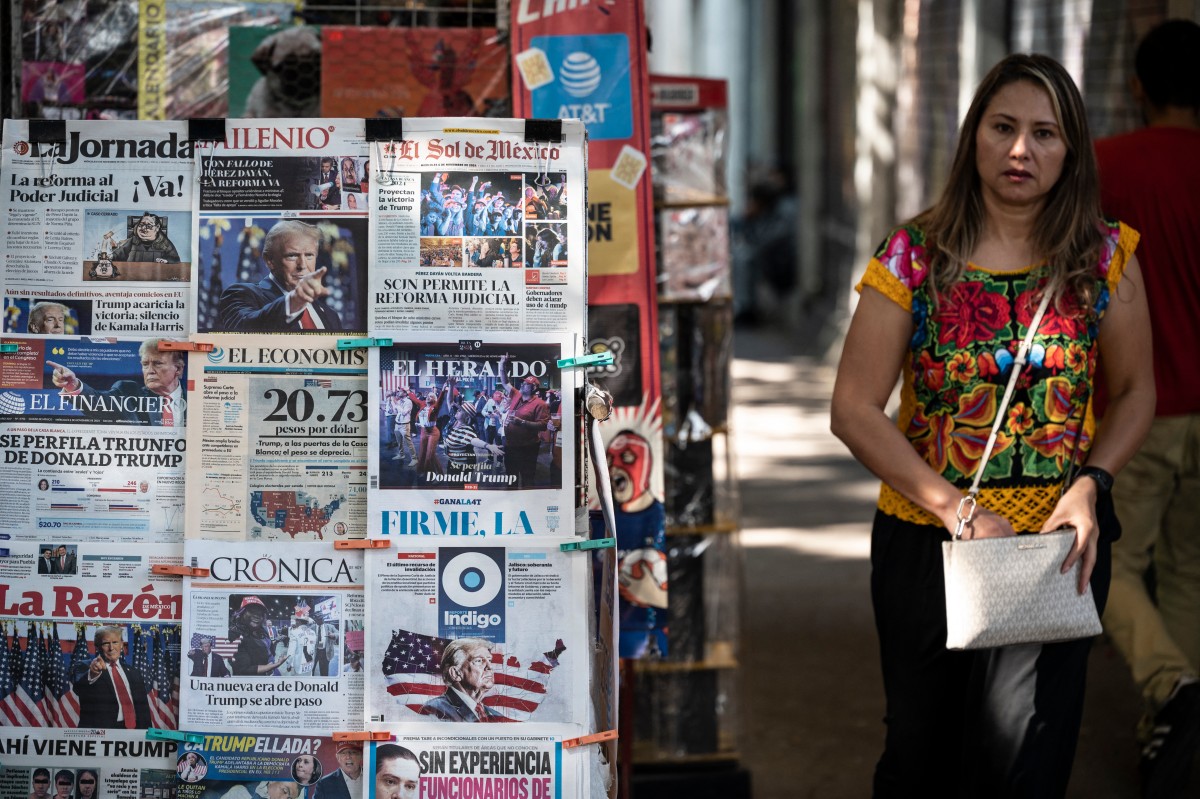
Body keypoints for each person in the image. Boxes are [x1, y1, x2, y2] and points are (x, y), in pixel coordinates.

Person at [830, 54, 1154, 796]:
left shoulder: (1106, 257)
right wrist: (957, 509)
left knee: (1023, 763)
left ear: (1071, 150)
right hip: (929, 543)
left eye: (1045, 134)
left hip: (1053, 549)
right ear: (973, 134)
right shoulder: (913, 255)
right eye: (1003, 127)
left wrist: (1092, 485)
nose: (1020, 150)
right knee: (920, 756)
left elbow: (1137, 390)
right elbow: (853, 409)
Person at [1092, 19, 1200, 796]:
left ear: (1137, 87)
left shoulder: (1105, 168)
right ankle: (1177, 735)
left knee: (1114, 570)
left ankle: (1172, 690)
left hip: (1140, 406)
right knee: (1191, 571)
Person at [216, 221, 343, 332]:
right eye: (292, 255)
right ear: (269, 260)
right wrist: (295, 302)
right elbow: (245, 329)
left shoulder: (330, 315)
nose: (302, 265)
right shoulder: (240, 294)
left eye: (309, 255)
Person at [47, 338, 186, 427]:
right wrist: (73, 385)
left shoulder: (197, 400)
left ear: (178, 369)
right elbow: (96, 402)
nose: (149, 370)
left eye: (157, 363)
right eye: (145, 364)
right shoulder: (128, 393)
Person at [74, 625, 153, 729]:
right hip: (101, 733)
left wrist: (146, 733)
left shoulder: (134, 672)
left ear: (121, 644)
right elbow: (79, 689)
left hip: (133, 731)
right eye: (106, 643)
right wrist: (93, 674)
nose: (111, 648)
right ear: (97, 646)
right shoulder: (85, 666)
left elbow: (143, 710)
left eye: (115, 642)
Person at [418, 638, 502, 721]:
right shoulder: (435, 709)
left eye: (490, 660)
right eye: (479, 661)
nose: (490, 667)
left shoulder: (496, 716)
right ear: (455, 673)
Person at [498, 356, 550, 488]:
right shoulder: (517, 395)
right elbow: (505, 382)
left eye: (526, 383)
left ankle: (528, 503)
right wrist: (502, 364)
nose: (522, 384)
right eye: (523, 382)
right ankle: (512, 502)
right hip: (511, 445)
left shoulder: (540, 404)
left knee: (527, 478)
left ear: (534, 388)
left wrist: (521, 423)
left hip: (527, 447)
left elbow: (543, 425)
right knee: (511, 477)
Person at [442, 384, 503, 475]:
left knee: (458, 485)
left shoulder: (467, 430)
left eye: (460, 410)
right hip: (452, 461)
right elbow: (449, 401)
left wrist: (488, 446)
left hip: (462, 465)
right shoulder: (453, 420)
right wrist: (451, 385)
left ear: (467, 417)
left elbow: (474, 440)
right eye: (458, 409)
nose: (457, 410)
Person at [230, 596, 288, 676]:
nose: (257, 616)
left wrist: (276, 642)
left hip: (272, 669)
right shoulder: (234, 635)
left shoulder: (262, 630)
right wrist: (277, 664)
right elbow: (244, 669)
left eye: (260, 613)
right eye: (252, 611)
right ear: (242, 613)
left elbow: (268, 647)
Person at [105, 212, 181, 263]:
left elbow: (176, 259)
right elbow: (119, 254)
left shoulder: (165, 242)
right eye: (141, 225)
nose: (143, 228)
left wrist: (166, 261)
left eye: (148, 226)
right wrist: (111, 257)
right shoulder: (133, 240)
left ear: (157, 228)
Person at [390, 389, 416, 466]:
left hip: (404, 425)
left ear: (405, 393)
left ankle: (414, 459)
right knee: (399, 442)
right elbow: (395, 412)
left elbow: (404, 412)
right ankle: (401, 454)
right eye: (398, 391)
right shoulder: (399, 401)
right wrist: (393, 403)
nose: (398, 392)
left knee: (409, 443)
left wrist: (396, 405)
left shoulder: (408, 402)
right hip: (397, 424)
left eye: (400, 391)